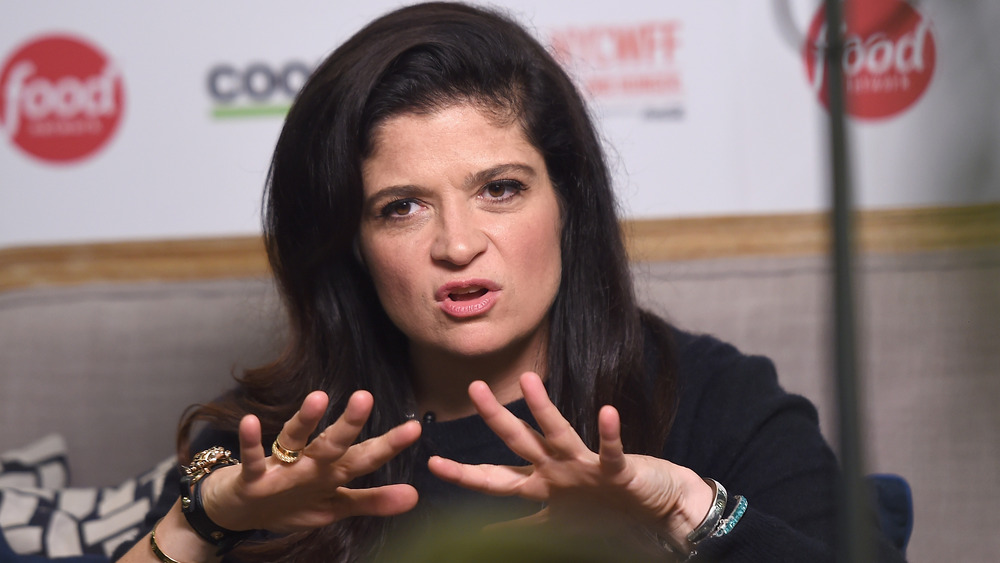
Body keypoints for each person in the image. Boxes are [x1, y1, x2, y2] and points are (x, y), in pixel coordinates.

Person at [118, 2, 907, 562]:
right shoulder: (284, 445)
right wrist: (200, 522)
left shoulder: (713, 400)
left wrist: (683, 508)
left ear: (568, 202)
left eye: (500, 188)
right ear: (352, 245)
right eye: (401, 208)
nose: (458, 244)